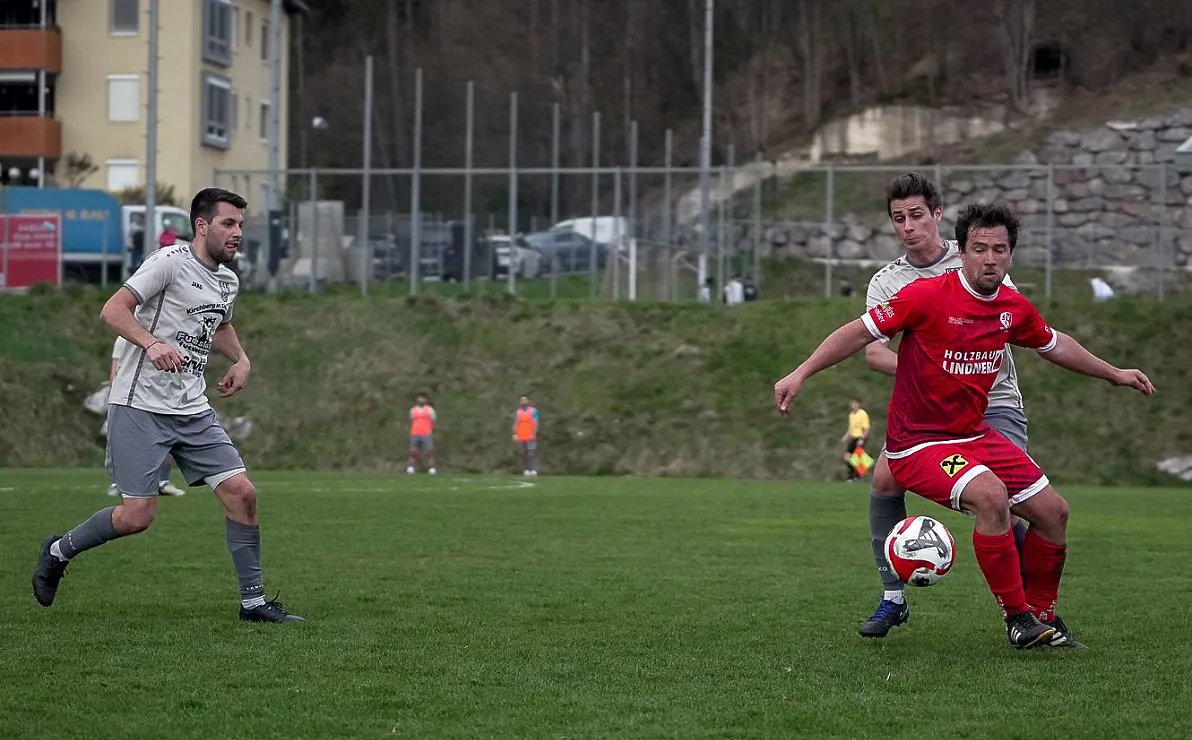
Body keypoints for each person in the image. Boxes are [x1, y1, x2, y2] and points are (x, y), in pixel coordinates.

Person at [773, 202, 1154, 650]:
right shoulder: (926, 295)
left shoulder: (1012, 307)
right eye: (979, 248)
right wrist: (800, 372)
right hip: (917, 444)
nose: (989, 258)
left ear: (1011, 255)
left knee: (1055, 513)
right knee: (991, 497)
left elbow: (1054, 346)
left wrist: (1114, 373)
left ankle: (1043, 618)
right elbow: (858, 334)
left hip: (974, 434)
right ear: (964, 252)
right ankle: (1016, 619)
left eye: (999, 249)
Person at [32, 187, 304, 624]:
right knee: (137, 516)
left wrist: (242, 359)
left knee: (243, 494)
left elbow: (219, 324)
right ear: (202, 225)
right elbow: (113, 310)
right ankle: (58, 551)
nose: (237, 233)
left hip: (192, 408)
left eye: (240, 225)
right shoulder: (168, 262)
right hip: (140, 406)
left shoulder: (228, 280)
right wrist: (152, 342)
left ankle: (253, 603)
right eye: (228, 224)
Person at [858, 172, 1034, 639]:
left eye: (917, 215)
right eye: (899, 218)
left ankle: (1031, 611)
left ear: (938, 215)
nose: (908, 226)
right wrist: (927, 372)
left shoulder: (980, 259)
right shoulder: (888, 281)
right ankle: (892, 597)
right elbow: (873, 349)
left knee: (1009, 507)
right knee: (883, 478)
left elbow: (1010, 323)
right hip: (927, 415)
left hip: (992, 403)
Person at [105, 336, 186, 497]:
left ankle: (162, 481)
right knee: (125, 441)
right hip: (134, 398)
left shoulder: (173, 335)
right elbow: (114, 372)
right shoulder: (124, 339)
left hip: (165, 397)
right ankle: (118, 482)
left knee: (168, 438)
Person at [407, 393, 437, 475]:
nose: (421, 400)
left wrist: (429, 429)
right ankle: (411, 468)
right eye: (420, 398)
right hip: (415, 433)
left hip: (426, 433)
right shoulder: (413, 410)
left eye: (423, 398)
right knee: (413, 452)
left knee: (429, 452)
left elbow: (433, 421)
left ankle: (432, 468)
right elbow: (411, 421)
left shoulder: (430, 410)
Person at [841, 398, 870, 481]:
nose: (853, 406)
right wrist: (845, 437)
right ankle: (857, 474)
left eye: (854, 404)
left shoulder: (863, 414)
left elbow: (866, 428)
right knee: (847, 457)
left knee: (856, 457)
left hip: (860, 438)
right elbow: (850, 428)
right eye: (851, 404)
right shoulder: (851, 415)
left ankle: (853, 476)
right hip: (853, 438)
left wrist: (862, 439)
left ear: (858, 404)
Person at [512, 395, 540, 477]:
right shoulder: (517, 412)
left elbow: (536, 423)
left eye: (525, 400)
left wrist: (533, 434)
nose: (523, 401)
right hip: (521, 435)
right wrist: (514, 434)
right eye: (522, 400)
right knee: (523, 453)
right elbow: (515, 424)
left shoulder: (534, 411)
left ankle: (533, 469)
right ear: (519, 402)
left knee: (531, 453)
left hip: (530, 435)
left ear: (528, 401)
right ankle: (526, 469)